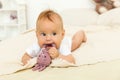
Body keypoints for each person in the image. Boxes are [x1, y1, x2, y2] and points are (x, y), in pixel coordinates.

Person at [21, 9, 87, 65]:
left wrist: (58, 55)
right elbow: (25, 57)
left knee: (76, 42)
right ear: (37, 35)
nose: (48, 38)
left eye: (54, 33)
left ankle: (81, 33)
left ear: (62, 35)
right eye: (43, 34)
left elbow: (72, 61)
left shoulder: (62, 46)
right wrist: (35, 62)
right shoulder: (36, 46)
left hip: (68, 43)